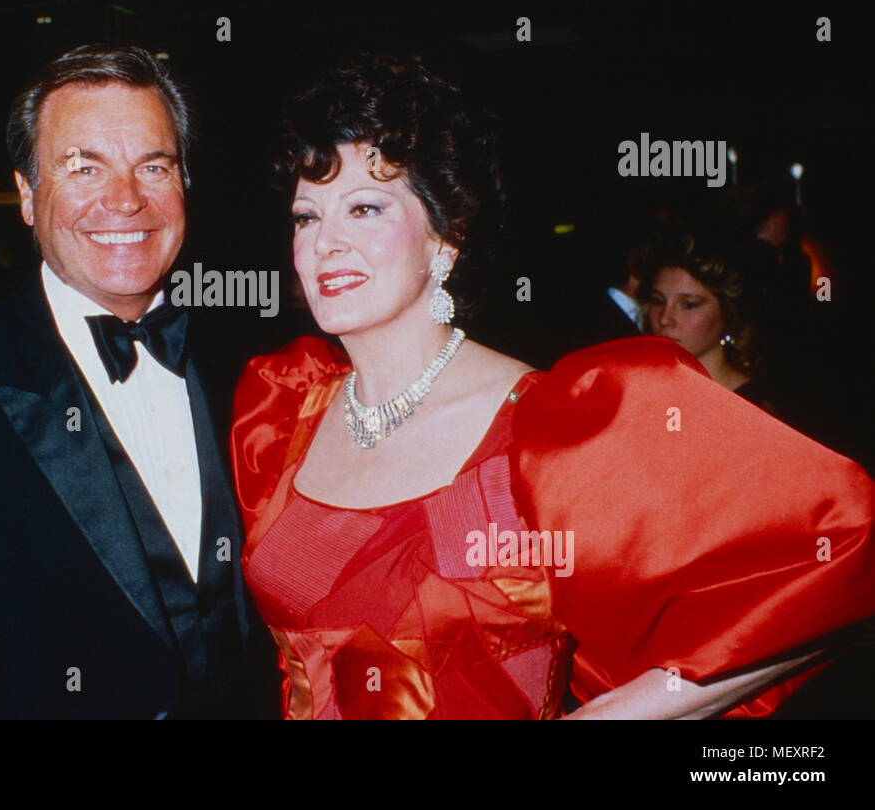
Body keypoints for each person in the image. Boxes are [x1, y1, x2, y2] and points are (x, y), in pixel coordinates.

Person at [230, 56, 875, 719]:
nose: (326, 242)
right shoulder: (281, 410)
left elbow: (843, 555)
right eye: (307, 216)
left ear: (446, 239)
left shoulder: (553, 430)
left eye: (364, 207)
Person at [0, 45, 278, 718]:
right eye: (84, 166)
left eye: (154, 166)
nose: (125, 199)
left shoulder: (248, 366)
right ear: (29, 196)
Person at [640, 219, 778, 411]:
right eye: (657, 301)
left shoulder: (751, 410)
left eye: (688, 305)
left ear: (728, 313)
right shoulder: (641, 390)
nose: (664, 319)